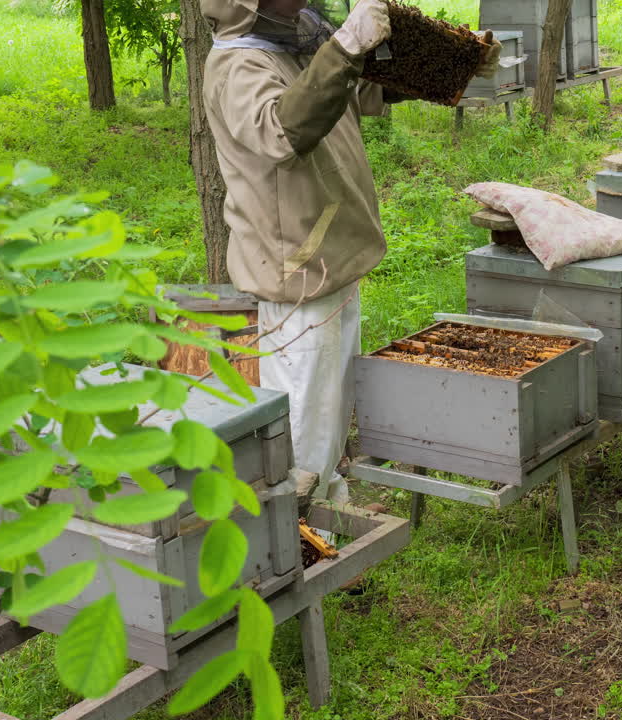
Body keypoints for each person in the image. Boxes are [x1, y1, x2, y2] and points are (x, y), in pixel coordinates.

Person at [200, 0, 500, 510]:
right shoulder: (237, 64)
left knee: (332, 401)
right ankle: (293, 526)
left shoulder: (294, 42)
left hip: (330, 248)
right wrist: (344, 47)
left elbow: (357, 88)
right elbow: (284, 132)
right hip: (295, 263)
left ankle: (328, 507)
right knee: (303, 411)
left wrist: (459, 62)